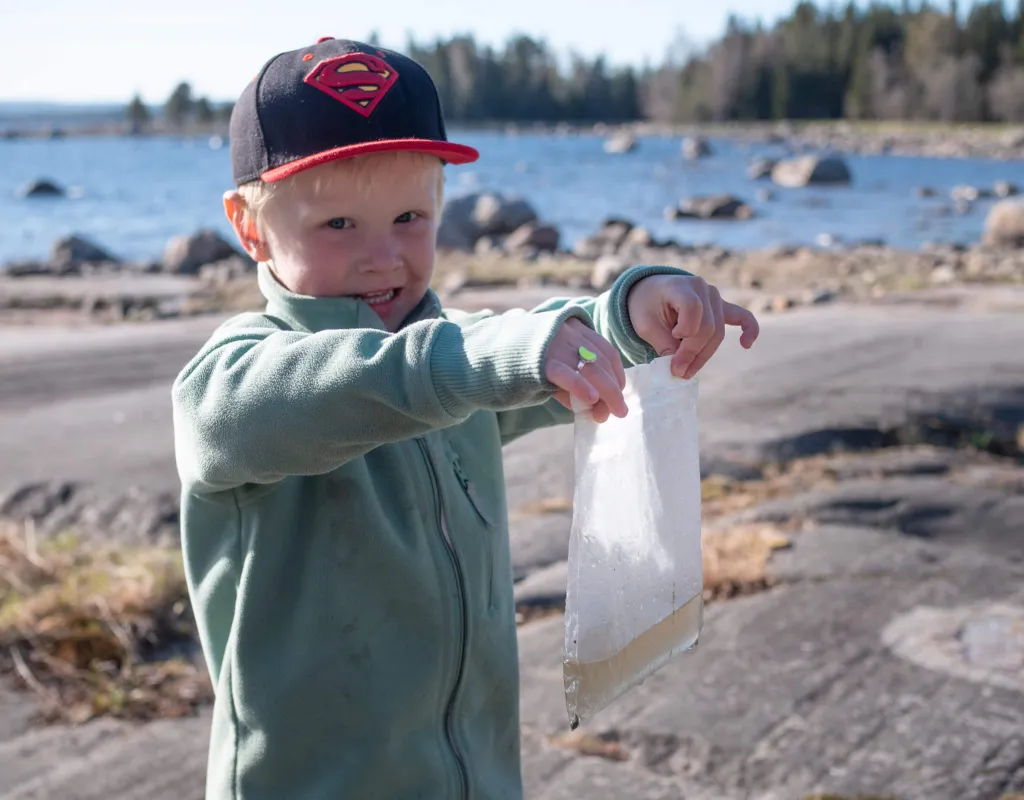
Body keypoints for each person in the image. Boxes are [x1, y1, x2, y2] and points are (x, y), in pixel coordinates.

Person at [171, 36, 759, 800]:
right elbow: (298, 397)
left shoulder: (457, 358)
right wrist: (484, 359)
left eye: (410, 217)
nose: (383, 256)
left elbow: (529, 343)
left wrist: (629, 317)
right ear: (250, 229)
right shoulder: (238, 375)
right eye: (338, 226)